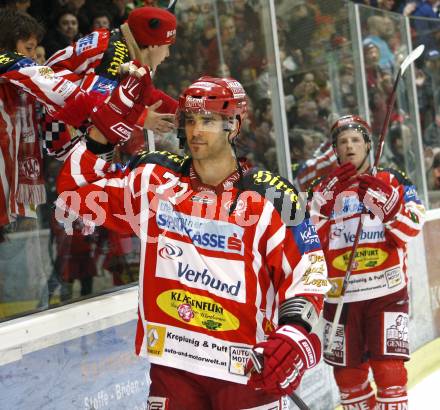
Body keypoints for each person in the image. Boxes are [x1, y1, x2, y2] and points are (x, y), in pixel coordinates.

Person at [56, 75, 331, 409]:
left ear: (234, 125)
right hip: (174, 366)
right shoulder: (154, 182)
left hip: (246, 368)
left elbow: (309, 271)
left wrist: (294, 333)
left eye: (209, 120)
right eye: (190, 119)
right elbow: (74, 195)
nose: (196, 130)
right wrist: (104, 123)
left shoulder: (272, 195)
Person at [309, 115, 425, 410]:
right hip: (340, 298)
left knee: (389, 371)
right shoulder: (320, 188)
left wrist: (391, 210)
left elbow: (412, 227)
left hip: (387, 294)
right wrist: (320, 209)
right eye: (342, 142)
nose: (349, 146)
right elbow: (306, 244)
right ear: (334, 150)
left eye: (356, 140)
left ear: (368, 145)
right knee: (347, 377)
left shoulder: (393, 179)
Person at [45, 5, 178, 139]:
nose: (167, 54)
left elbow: (143, 93)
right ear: (153, 45)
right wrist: (141, 117)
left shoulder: (121, 43)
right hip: (54, 125)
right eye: (167, 47)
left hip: (56, 114)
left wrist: (181, 111)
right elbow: (96, 105)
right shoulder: (115, 56)